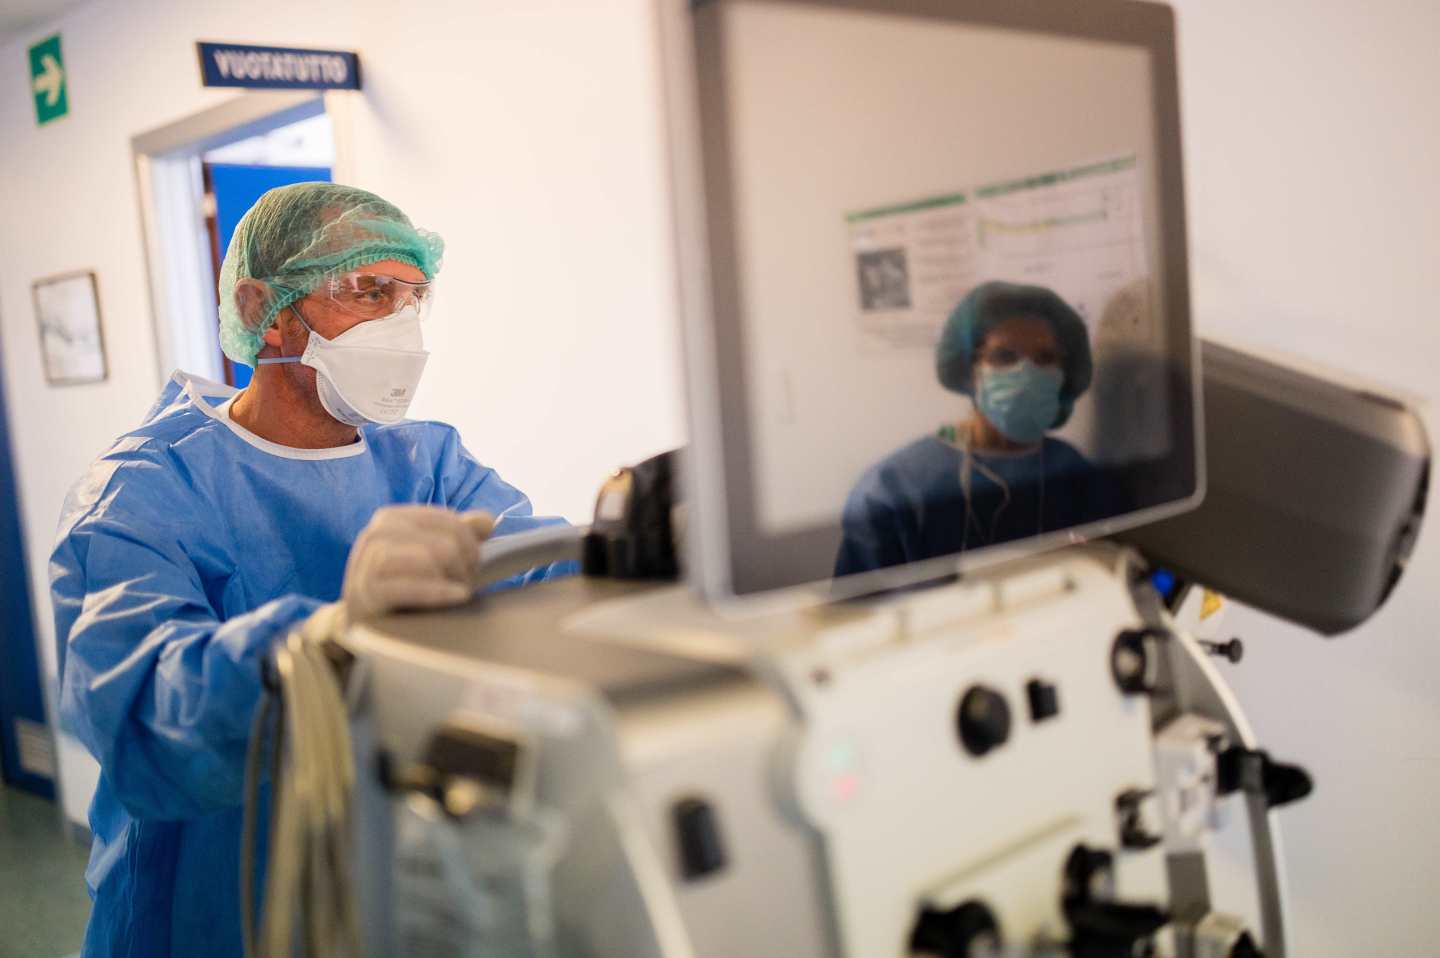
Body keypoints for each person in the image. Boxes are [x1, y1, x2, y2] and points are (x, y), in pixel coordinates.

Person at [49, 182, 576, 958]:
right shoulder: (140, 492)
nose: (401, 325)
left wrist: (636, 547)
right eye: (369, 291)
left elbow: (541, 575)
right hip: (204, 914)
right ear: (266, 310)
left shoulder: (427, 462)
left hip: (380, 896)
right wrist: (321, 642)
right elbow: (139, 717)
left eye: (413, 297)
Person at [836, 280, 1119, 577]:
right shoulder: (893, 489)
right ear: (970, 370)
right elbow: (858, 614)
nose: (1026, 374)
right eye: (1004, 356)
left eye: (1044, 358)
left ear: (1066, 373)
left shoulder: (1079, 478)